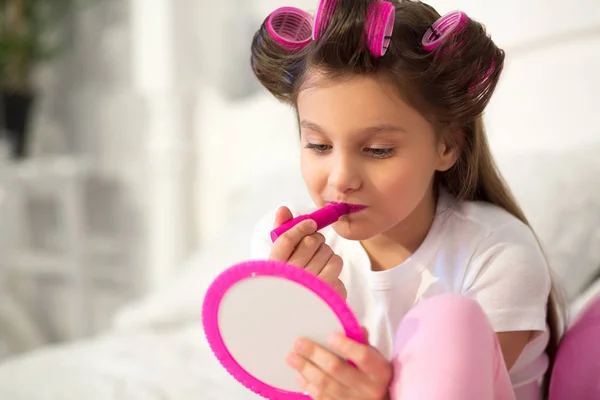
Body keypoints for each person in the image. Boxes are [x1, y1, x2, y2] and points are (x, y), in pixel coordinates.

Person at [249, 1, 565, 399]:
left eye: (378, 149)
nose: (341, 178)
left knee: (448, 323)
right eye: (319, 144)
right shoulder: (280, 250)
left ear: (446, 145)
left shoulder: (497, 254)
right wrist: (301, 312)